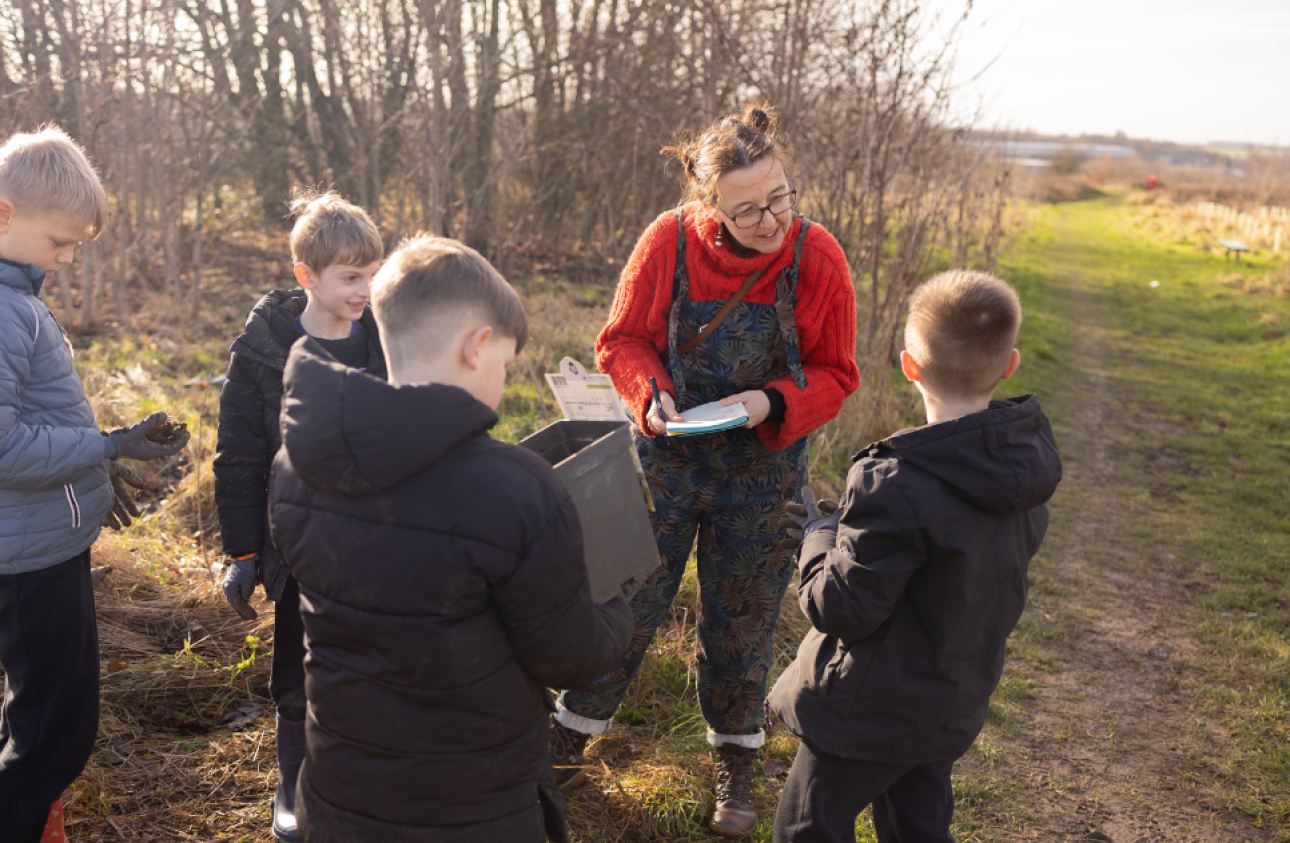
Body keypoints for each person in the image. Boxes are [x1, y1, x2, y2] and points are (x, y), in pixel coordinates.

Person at [548, 104, 861, 836]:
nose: (770, 220)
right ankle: (563, 741)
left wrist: (770, 400)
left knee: (742, 621)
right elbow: (620, 339)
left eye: (779, 197)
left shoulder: (817, 258)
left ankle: (735, 757)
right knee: (625, 604)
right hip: (666, 464)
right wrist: (647, 392)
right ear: (705, 204)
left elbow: (838, 374)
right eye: (748, 208)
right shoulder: (668, 242)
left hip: (765, 473)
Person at [266, 234, 633, 843]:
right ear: (476, 345)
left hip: (338, 794)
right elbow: (571, 655)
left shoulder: (296, 467)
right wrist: (617, 596)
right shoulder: (516, 490)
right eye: (506, 366)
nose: (503, 381)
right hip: (470, 805)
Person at [768, 269, 1063, 843]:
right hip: (949, 697)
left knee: (806, 828)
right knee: (918, 826)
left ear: (909, 365)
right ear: (1010, 364)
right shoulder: (1024, 471)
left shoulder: (894, 484)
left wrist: (818, 537)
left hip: (869, 714)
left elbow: (842, 609)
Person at [0, 126, 188, 843]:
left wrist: (98, 461)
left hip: (43, 539)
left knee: (44, 717)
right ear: (4, 213)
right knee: (53, 733)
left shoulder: (18, 295)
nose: (69, 257)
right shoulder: (4, 309)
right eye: (61, 241)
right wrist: (103, 445)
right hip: (27, 562)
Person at [213, 188, 385, 842]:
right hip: (295, 543)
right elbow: (239, 457)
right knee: (298, 670)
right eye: (349, 277)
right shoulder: (262, 351)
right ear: (306, 277)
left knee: (366, 662)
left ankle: (354, 776)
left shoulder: (381, 339)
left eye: (372, 273)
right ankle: (294, 780)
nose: (364, 288)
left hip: (370, 538)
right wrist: (244, 553)